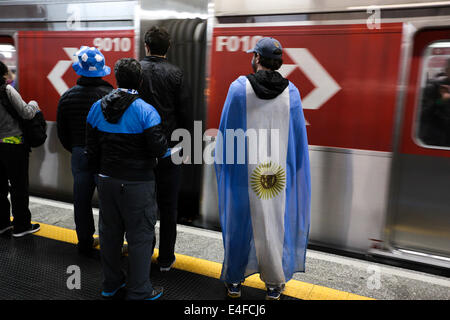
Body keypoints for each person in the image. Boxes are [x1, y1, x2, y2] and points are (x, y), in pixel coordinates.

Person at [214, 37, 311, 300]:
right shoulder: (291, 93)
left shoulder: (238, 89)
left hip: (243, 174)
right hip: (276, 178)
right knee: (274, 226)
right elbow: (298, 140)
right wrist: (295, 170)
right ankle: (273, 284)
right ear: (278, 63)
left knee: (239, 226)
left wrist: (224, 166)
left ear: (256, 59)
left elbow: (226, 134)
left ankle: (234, 282)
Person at [86, 58, 167, 300]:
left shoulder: (96, 108)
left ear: (117, 80)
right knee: (140, 236)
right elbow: (158, 150)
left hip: (106, 180)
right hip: (137, 184)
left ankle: (111, 284)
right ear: (140, 81)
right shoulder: (146, 111)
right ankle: (140, 289)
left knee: (109, 235)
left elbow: (91, 150)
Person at [139, 25, 190, 271]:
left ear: (146, 46)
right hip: (170, 150)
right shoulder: (176, 74)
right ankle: (166, 259)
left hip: (140, 151)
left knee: (142, 204)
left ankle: (144, 251)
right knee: (168, 207)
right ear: (168, 48)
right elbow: (185, 115)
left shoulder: (134, 70)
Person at [56, 46, 114, 256]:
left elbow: (62, 134)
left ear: (79, 70)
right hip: (105, 155)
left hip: (80, 154)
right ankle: (109, 244)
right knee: (109, 203)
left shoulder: (67, 97)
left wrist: (76, 148)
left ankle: (84, 242)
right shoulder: (110, 96)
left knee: (81, 201)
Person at [0, 60, 41, 237]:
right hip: (13, 145)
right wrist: (33, 104)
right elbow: (26, 112)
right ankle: (22, 225)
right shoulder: (6, 90)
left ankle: (2, 224)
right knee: (19, 187)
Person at [419, 58, 450, 147]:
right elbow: (422, 115)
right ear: (446, 70)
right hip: (436, 140)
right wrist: (441, 101)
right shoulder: (433, 87)